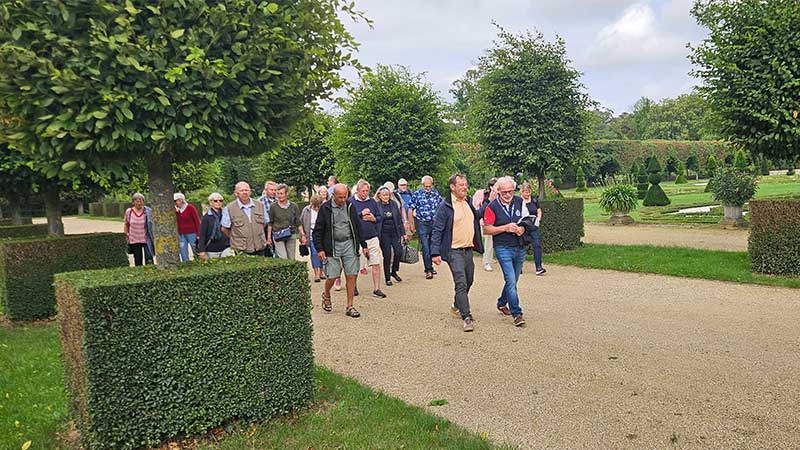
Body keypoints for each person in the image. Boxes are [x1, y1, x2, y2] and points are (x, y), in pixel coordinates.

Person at [431, 174, 484, 332]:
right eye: (461, 185)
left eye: (465, 184)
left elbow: (477, 216)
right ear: (452, 187)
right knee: (460, 282)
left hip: (468, 249)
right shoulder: (445, 207)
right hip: (454, 251)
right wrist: (435, 252)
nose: (464, 187)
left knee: (469, 280)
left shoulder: (467, 203)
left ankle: (456, 305)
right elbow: (437, 230)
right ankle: (466, 316)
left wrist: (490, 201)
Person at [313, 183, 369, 318]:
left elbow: (357, 226)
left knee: (351, 274)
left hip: (349, 243)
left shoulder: (350, 206)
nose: (343, 200)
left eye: (345, 197)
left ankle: (350, 306)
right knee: (332, 275)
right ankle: (326, 294)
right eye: (340, 197)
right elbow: (317, 231)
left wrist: (364, 244)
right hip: (332, 245)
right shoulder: (325, 208)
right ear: (333, 196)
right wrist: (320, 249)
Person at [483, 176, 528, 327]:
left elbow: (528, 220)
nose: (508, 195)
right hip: (503, 247)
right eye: (504, 192)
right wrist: (505, 228)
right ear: (498, 192)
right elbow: (487, 229)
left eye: (510, 191)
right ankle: (517, 314)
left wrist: (522, 228)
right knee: (510, 280)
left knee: (513, 280)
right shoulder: (492, 206)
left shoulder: (520, 202)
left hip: (519, 246)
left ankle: (502, 302)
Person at [351, 179, 387, 298]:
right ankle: (353, 286)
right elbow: (349, 219)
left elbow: (380, 217)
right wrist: (361, 214)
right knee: (355, 263)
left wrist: (373, 219)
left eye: (367, 191)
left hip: (372, 236)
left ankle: (376, 288)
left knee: (376, 262)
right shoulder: (351, 202)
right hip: (356, 238)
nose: (365, 193)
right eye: (363, 191)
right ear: (358, 190)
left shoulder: (372, 201)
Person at [408, 175, 443, 279]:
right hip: (422, 223)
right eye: (425, 186)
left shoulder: (435, 193)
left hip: (434, 223)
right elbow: (410, 209)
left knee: (433, 245)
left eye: (429, 186)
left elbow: (441, 208)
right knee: (425, 247)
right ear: (422, 185)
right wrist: (411, 224)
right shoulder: (417, 194)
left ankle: (430, 266)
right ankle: (428, 269)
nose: (427, 188)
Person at [221, 181, 268, 256]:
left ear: (250, 192)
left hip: (260, 246)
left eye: (246, 190)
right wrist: (235, 238)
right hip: (241, 249)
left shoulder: (260, 205)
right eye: (241, 190)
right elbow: (224, 228)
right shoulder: (229, 208)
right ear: (236, 193)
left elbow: (265, 223)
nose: (244, 192)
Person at [375, 186, 405, 286]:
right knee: (387, 255)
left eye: (387, 195)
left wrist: (403, 233)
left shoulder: (393, 204)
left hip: (394, 232)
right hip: (384, 233)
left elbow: (399, 219)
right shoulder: (377, 205)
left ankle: (394, 271)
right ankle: (387, 277)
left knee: (399, 252)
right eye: (383, 195)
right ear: (379, 196)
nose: (386, 197)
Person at [267, 184, 302, 260]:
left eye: (281, 193)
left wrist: (303, 235)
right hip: (278, 234)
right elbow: (270, 223)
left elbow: (298, 222)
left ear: (286, 194)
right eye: (278, 193)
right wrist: (269, 237)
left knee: (291, 258)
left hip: (291, 234)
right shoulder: (273, 207)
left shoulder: (294, 206)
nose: (279, 196)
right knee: (283, 258)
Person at [519, 182, 546, 275]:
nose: (528, 194)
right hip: (523, 226)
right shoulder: (518, 201)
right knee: (521, 246)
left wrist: (538, 219)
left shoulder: (534, 199)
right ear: (521, 192)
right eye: (525, 192)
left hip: (533, 225)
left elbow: (539, 210)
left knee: (537, 245)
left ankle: (538, 267)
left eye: (529, 192)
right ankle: (519, 266)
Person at [472, 177, 498, 272]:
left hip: (498, 221)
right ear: (491, 187)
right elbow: (476, 207)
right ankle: (487, 262)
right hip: (487, 221)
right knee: (489, 242)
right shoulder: (482, 194)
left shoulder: (501, 195)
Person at [197, 192, 232, 260]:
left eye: (220, 201)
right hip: (211, 249)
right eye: (215, 201)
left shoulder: (226, 214)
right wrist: (201, 250)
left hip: (226, 247)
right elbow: (202, 234)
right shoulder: (206, 217)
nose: (218, 202)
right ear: (211, 202)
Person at [124, 192, 155, 266]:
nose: (139, 203)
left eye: (141, 201)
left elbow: (153, 224)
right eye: (137, 201)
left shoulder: (148, 211)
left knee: (149, 257)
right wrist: (127, 234)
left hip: (146, 238)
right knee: (138, 259)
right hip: (134, 239)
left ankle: (150, 273)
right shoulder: (129, 212)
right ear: (133, 202)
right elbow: (126, 224)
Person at [301, 195, 325, 282]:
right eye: (314, 205)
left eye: (317, 205)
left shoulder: (323, 210)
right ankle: (316, 273)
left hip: (322, 234)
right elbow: (302, 222)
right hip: (311, 234)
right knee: (314, 254)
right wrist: (303, 236)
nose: (316, 207)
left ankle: (321, 271)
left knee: (322, 253)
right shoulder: (306, 210)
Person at [174, 193, 200, 262]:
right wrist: (177, 213)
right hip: (181, 234)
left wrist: (198, 234)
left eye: (176, 200)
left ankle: (198, 262)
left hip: (192, 233)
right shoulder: (177, 210)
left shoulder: (190, 208)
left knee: (195, 249)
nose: (175, 202)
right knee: (183, 251)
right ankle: (186, 264)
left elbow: (197, 221)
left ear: (181, 200)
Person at [259, 181, 277, 257]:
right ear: (266, 190)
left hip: (278, 229)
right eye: (271, 190)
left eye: (275, 190)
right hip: (266, 229)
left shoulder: (279, 199)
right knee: (268, 251)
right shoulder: (260, 201)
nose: (273, 192)